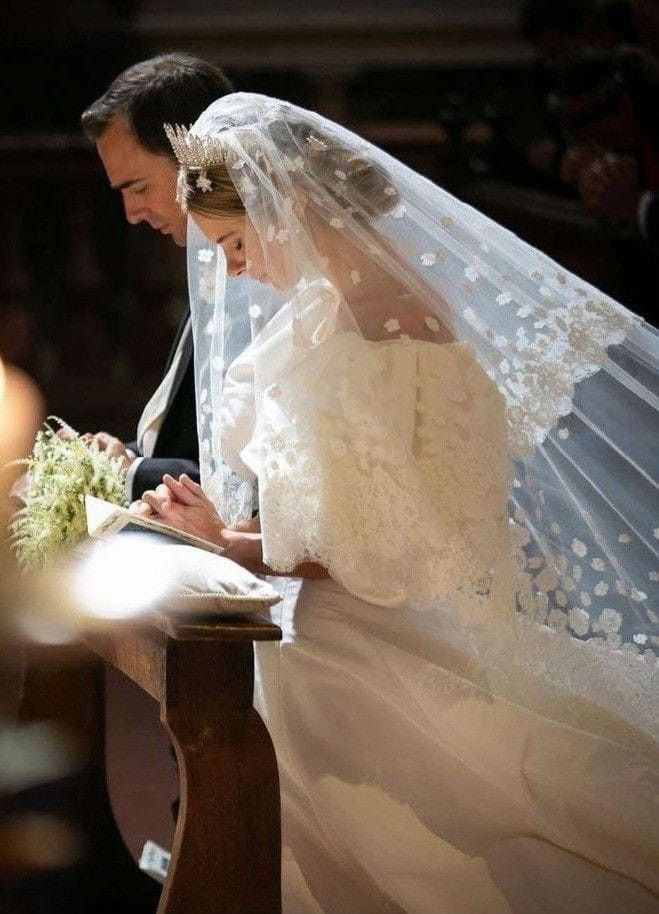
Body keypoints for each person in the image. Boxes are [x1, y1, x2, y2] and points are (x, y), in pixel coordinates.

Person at [136, 94, 658, 913]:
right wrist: (228, 527)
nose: (234, 269)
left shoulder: (382, 327)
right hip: (344, 615)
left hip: (374, 636)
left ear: (291, 206)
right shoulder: (333, 307)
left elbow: (385, 554)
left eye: (235, 242)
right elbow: (348, 512)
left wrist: (229, 544)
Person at [78, 53, 234, 500]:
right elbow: (186, 445)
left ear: (193, 158)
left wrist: (131, 473)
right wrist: (119, 457)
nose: (131, 215)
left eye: (140, 188)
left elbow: (255, 487)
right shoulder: (209, 265)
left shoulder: (265, 281)